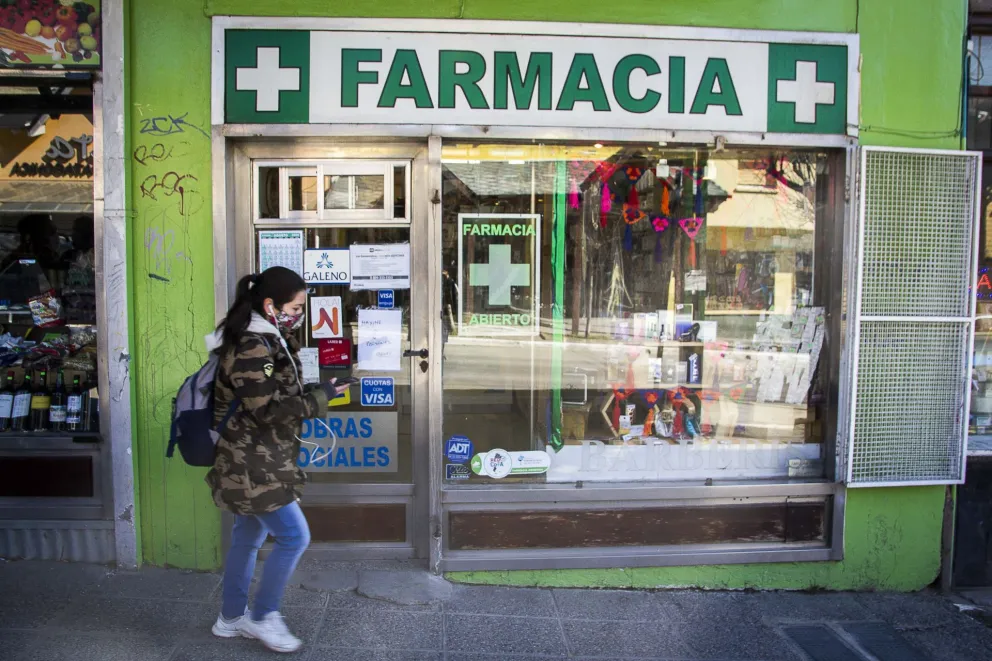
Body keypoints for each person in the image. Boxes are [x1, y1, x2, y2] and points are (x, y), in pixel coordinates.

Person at [205, 266, 346, 653]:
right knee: (294, 536)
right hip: (252, 464)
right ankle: (264, 616)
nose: (299, 314)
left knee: (247, 538)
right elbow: (265, 411)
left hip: (259, 458)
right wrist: (320, 399)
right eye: (296, 307)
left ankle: (230, 618)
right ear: (270, 304)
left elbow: (275, 395)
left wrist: (320, 389)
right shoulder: (252, 344)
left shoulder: (270, 337)